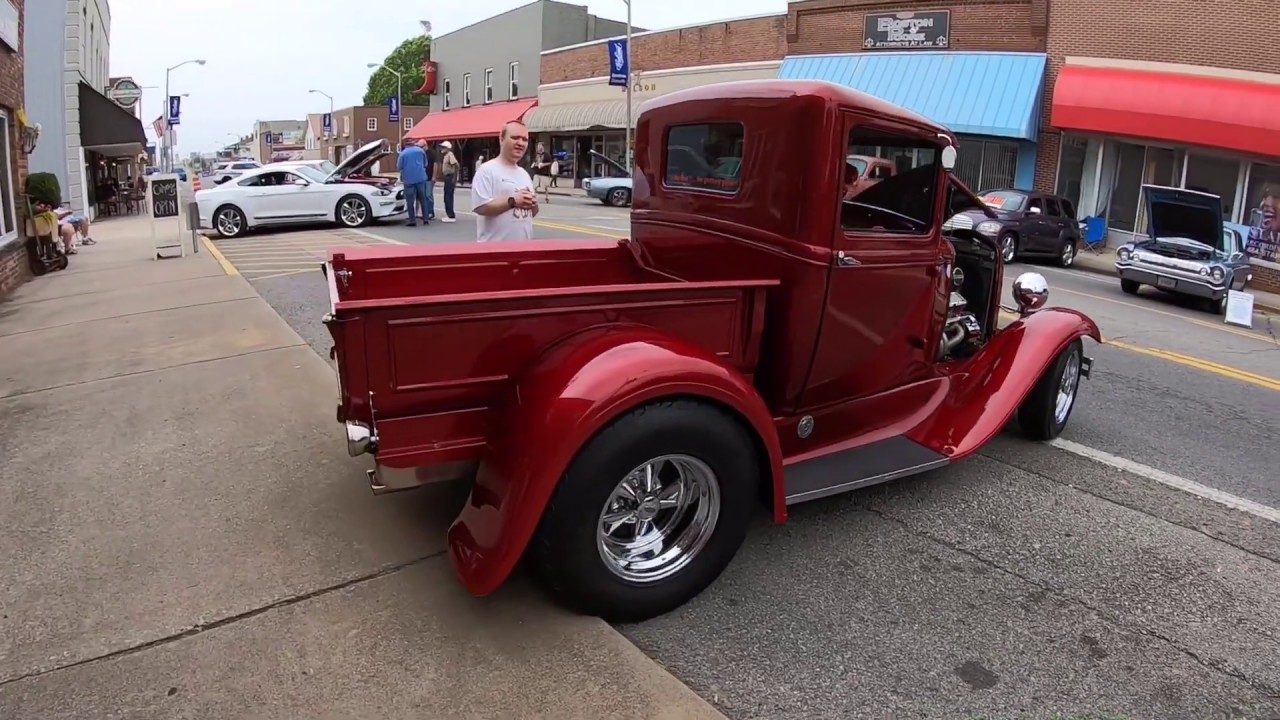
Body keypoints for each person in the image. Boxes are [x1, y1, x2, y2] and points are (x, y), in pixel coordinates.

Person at [471, 120, 537, 242]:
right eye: (515, 138)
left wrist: (533, 204)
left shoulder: (524, 174)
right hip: (495, 253)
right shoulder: (487, 170)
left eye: (524, 139)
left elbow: (531, 212)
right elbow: (480, 207)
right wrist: (513, 201)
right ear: (501, 138)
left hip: (523, 251)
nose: (520, 143)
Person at [396, 139, 430, 226]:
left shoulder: (403, 154)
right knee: (423, 199)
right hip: (421, 178)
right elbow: (425, 164)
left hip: (408, 180)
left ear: (405, 145)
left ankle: (412, 220)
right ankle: (425, 219)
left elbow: (399, 166)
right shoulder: (421, 151)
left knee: (410, 201)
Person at [439, 140, 459, 223]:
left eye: (443, 147)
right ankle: (449, 214)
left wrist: (454, 178)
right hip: (447, 177)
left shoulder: (450, 155)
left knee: (448, 196)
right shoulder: (445, 155)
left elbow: (456, 165)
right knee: (446, 196)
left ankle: (451, 215)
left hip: (450, 177)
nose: (442, 149)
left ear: (447, 148)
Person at [420, 139, 437, 221]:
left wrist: (434, 176)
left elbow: (435, 164)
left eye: (421, 146)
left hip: (429, 177)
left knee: (428, 195)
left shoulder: (431, 153)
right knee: (423, 196)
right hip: (422, 177)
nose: (420, 148)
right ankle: (425, 213)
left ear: (425, 145)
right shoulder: (420, 153)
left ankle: (431, 212)